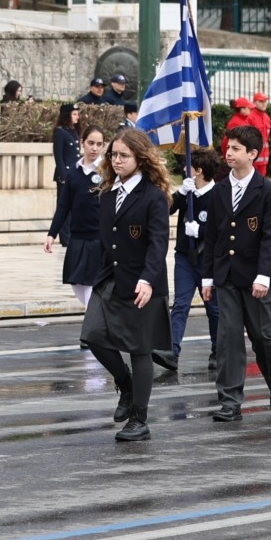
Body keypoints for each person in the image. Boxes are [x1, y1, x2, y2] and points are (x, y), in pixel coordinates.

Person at [85, 129, 172, 443]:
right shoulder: (108, 193)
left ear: (140, 158)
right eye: (113, 154)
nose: (116, 160)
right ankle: (126, 383)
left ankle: (140, 419)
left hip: (141, 281)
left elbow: (158, 242)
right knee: (92, 335)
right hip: (110, 278)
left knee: (139, 350)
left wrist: (148, 279)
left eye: (123, 155)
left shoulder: (153, 195)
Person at [200, 126, 271, 423]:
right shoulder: (219, 190)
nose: (229, 152)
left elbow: (270, 236)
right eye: (228, 147)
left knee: (263, 337)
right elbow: (212, 236)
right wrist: (207, 277)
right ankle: (230, 401)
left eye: (236, 148)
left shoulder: (266, 190)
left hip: (256, 278)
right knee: (228, 339)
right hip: (226, 276)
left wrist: (264, 275)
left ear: (252, 154)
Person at [161, 148, 222, 373]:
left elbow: (224, 228)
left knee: (213, 308)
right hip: (185, 257)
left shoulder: (218, 195)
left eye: (189, 167)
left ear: (199, 171)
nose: (185, 170)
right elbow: (164, 210)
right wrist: (178, 194)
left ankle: (218, 350)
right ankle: (172, 351)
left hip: (208, 260)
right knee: (180, 304)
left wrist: (202, 230)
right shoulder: (187, 193)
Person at [44, 126, 109, 306]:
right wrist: (52, 234)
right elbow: (64, 206)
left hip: (98, 237)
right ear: (82, 143)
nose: (94, 148)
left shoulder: (108, 171)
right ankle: (95, 318)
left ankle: (94, 324)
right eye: (90, 143)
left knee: (90, 283)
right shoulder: (74, 171)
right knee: (76, 283)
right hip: (77, 236)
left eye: (99, 144)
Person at [52, 103, 81, 181]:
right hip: (65, 173)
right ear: (67, 115)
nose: (77, 117)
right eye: (74, 114)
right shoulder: (60, 132)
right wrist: (64, 177)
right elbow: (59, 157)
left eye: (77, 114)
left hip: (74, 173)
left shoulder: (74, 131)